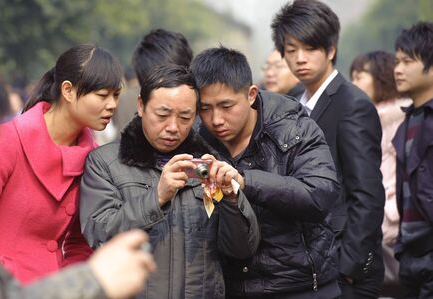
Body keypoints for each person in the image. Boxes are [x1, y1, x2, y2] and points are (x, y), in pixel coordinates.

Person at [79, 64, 260, 299]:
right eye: (162, 115)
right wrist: (157, 197)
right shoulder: (105, 163)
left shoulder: (209, 164)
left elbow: (242, 248)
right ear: (141, 106)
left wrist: (232, 198)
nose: (173, 127)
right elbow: (99, 234)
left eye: (185, 117)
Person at [0, 65, 156, 299]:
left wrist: (77, 281)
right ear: (68, 91)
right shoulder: (8, 140)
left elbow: (79, 241)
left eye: (116, 95)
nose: (112, 105)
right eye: (102, 95)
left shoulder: (95, 160)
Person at [191, 46, 341, 298]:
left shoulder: (295, 129)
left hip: (299, 287)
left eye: (226, 106)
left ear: (251, 94)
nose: (216, 119)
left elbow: (320, 195)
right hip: (231, 287)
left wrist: (245, 181)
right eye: (205, 108)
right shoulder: (196, 141)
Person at [271, 1, 386, 298]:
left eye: (309, 48)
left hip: (344, 271)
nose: (299, 59)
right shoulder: (294, 101)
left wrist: (348, 266)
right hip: (309, 265)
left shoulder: (353, 105)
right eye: (291, 49)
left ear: (331, 50)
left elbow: (368, 195)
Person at [350, 50, 410, 296]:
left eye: (360, 75)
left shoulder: (399, 118)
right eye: (352, 77)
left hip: (394, 222)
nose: (354, 84)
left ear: (381, 77)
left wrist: (391, 212)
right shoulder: (362, 117)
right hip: (375, 220)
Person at [392, 21, 433, 299]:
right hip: (409, 254)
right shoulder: (406, 124)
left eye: (407, 61)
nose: (397, 69)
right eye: (396, 61)